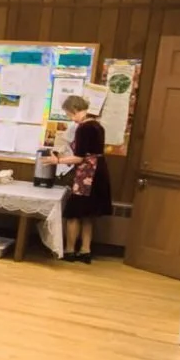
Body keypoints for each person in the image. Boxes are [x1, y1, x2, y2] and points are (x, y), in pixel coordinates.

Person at [50, 95, 110, 263]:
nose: (71, 118)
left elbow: (79, 157)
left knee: (73, 213)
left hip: (87, 175)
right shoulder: (98, 126)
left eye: (69, 114)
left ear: (75, 110)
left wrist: (58, 160)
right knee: (88, 214)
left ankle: (69, 250)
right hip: (100, 173)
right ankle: (85, 250)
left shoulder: (83, 128)